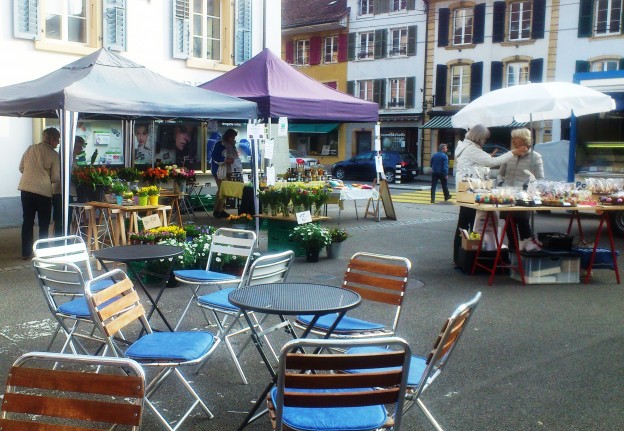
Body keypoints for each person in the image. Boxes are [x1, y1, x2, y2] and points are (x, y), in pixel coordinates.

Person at [453, 124, 528, 265]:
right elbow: (492, 162)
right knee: (466, 224)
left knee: (464, 223)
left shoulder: (466, 147)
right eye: (484, 139)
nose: (485, 141)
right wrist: (513, 152)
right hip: (470, 190)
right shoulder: (471, 149)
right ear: (479, 137)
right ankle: (464, 257)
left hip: (465, 189)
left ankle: (460, 256)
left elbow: (481, 162)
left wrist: (487, 158)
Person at [497, 128, 545, 252]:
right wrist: (501, 184)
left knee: (523, 223)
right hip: (507, 196)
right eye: (512, 138)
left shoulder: (535, 157)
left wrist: (526, 187)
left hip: (523, 198)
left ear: (524, 139)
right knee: (508, 224)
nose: (513, 140)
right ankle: (513, 250)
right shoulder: (510, 155)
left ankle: (526, 251)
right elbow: (500, 174)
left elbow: (540, 179)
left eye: (515, 138)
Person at [18, 127, 61, 259]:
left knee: (27, 221)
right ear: (51, 139)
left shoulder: (30, 148)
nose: (58, 142)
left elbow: (21, 168)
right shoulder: (54, 155)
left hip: (26, 189)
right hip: (43, 192)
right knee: (43, 223)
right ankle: (42, 252)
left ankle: (26, 252)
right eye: (57, 139)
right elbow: (55, 178)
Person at [211, 129, 239, 218]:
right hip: (219, 170)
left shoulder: (232, 145)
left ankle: (220, 209)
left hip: (229, 170)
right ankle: (217, 210)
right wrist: (225, 160)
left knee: (225, 190)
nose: (234, 139)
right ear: (228, 136)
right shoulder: (220, 144)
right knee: (221, 190)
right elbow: (214, 156)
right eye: (232, 137)